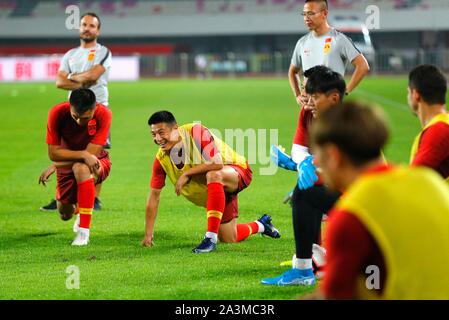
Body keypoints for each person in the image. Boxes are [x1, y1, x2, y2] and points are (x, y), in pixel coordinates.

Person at [305, 101, 449, 299]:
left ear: (334, 155)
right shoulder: (428, 180)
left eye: (318, 153)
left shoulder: (352, 214)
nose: (316, 161)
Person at [142, 111, 280, 253]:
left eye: (161, 132)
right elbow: (154, 196)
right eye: (154, 134)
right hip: (217, 189)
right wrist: (148, 235)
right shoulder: (161, 160)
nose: (158, 138)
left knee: (213, 174)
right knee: (229, 237)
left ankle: (210, 239)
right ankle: (262, 225)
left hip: (237, 171)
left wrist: (187, 174)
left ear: (175, 129)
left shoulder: (195, 131)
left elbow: (217, 163)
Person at [263, 65, 345, 285]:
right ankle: (311, 263)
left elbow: (346, 174)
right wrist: (302, 165)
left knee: (304, 192)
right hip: (347, 196)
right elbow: (299, 149)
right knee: (305, 192)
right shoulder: (312, 114)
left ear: (334, 98)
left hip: (364, 203)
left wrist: (310, 171)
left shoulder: (347, 125)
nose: (306, 99)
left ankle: (312, 264)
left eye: (313, 95)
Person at [39, 12, 112, 212]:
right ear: (79, 28)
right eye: (83, 24)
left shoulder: (103, 51)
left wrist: (72, 77)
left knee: (96, 151)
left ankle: (94, 198)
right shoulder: (70, 55)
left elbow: (95, 76)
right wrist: (80, 78)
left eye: (91, 25)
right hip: (73, 110)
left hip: (97, 108)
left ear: (98, 30)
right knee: (68, 149)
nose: (86, 28)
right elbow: (60, 81)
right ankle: (64, 194)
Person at [288, 0, 369, 164]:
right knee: (307, 152)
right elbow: (292, 71)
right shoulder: (302, 42)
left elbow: (362, 66)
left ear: (325, 13)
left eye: (311, 13)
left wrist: (345, 91)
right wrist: (298, 95)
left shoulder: (339, 40)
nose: (306, 18)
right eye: (304, 14)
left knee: (336, 154)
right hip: (310, 107)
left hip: (331, 108)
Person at [40, 88, 112, 246]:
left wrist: (57, 164)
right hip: (67, 164)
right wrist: (57, 163)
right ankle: (81, 207)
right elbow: (53, 153)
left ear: (95, 108)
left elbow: (91, 155)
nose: (80, 122)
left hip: (97, 161)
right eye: (75, 117)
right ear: (69, 106)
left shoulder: (104, 114)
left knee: (81, 168)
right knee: (65, 214)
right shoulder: (57, 113)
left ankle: (83, 232)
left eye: (85, 118)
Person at [407, 64, 449, 181]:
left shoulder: (439, 130)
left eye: (408, 92)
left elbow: (413, 178)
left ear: (416, 95)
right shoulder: (443, 124)